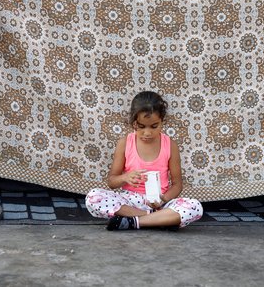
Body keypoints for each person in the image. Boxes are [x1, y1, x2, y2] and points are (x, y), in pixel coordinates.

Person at [85, 91, 203, 230]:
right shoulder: (125, 143)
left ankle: (134, 222)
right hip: (130, 202)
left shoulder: (170, 145)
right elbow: (112, 182)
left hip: (160, 203)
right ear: (133, 122)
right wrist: (125, 177)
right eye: (141, 127)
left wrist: (163, 199)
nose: (147, 133)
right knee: (93, 197)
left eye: (154, 126)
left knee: (195, 207)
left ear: (162, 122)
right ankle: (157, 219)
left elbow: (177, 184)